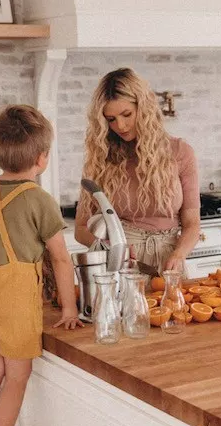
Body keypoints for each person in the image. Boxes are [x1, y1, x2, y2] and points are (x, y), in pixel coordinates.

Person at [0, 104, 81, 426]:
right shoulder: (40, 200)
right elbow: (60, 259)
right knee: (17, 376)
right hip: (13, 304)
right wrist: (69, 308)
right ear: (42, 158)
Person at [75, 67, 201, 274]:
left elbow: (192, 224)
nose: (120, 126)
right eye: (111, 119)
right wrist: (111, 247)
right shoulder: (100, 158)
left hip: (170, 264)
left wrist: (179, 254)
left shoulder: (181, 152)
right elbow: (80, 229)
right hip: (123, 264)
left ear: (144, 108)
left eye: (127, 114)